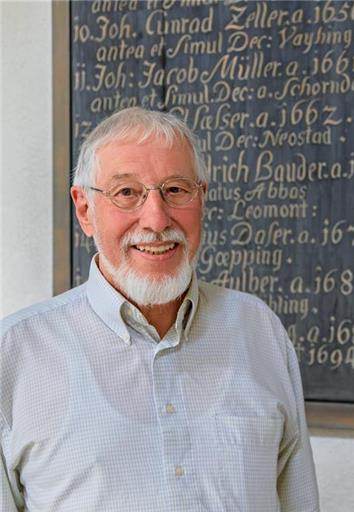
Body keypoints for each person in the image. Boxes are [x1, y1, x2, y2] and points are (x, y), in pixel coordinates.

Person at [0, 107, 320, 511]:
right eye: (127, 192)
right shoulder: (14, 355)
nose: (155, 219)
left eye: (175, 190)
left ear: (201, 197)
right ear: (85, 210)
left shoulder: (259, 330)